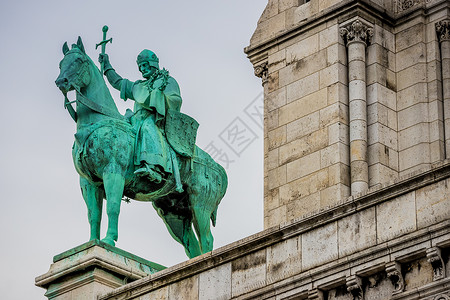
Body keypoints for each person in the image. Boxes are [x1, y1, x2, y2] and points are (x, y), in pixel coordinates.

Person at [99, 50, 182, 184]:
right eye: (140, 67)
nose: (142, 69)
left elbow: (175, 101)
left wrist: (158, 98)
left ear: (153, 64)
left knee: (148, 127)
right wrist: (107, 66)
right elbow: (118, 83)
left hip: (155, 119)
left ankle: (155, 168)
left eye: (145, 65)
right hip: (135, 119)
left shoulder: (167, 81)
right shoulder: (140, 86)